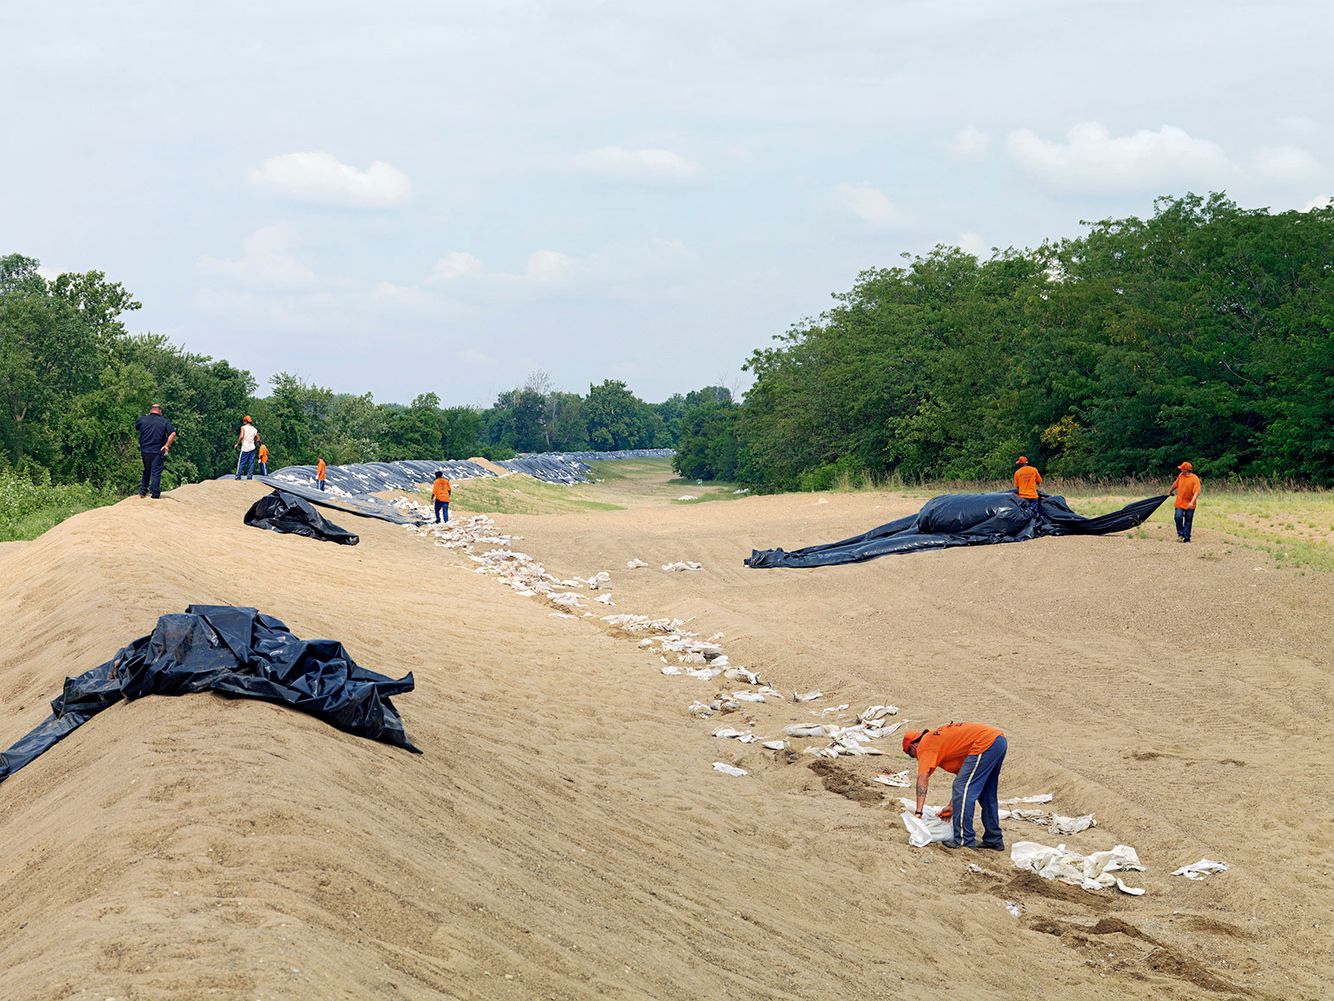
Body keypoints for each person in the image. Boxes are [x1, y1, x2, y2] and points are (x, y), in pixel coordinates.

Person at [904, 722, 1008, 850]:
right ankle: (994, 839)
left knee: (961, 787)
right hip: (997, 741)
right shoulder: (945, 744)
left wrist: (918, 813)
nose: (917, 759)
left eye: (912, 755)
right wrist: (952, 805)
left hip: (985, 743)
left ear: (913, 746)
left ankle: (964, 839)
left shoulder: (926, 743)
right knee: (986, 793)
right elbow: (967, 779)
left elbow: (922, 778)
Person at [134, 404, 176, 499]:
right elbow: (173, 433)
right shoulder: (164, 421)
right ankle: (155, 494)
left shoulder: (142, 419)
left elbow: (137, 427)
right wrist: (166, 446)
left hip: (145, 450)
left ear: (151, 410)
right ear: (160, 411)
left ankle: (143, 492)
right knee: (156, 473)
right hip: (157, 451)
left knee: (146, 470)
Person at [1170, 461, 1201, 543]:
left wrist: (1192, 502)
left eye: (1182, 469)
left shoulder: (1195, 479)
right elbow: (1175, 484)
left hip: (1190, 504)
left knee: (1188, 520)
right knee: (1178, 517)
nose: (1180, 470)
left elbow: (1197, 492)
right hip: (1179, 502)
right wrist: (1169, 491)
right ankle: (1181, 534)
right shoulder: (1181, 476)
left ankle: (1187, 538)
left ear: (1186, 470)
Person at [234, 416, 260, 480]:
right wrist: (254, 442)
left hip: (245, 448)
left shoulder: (243, 427)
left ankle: (238, 476)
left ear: (245, 421)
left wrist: (237, 443)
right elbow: (258, 439)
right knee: (251, 463)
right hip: (252, 447)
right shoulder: (254, 429)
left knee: (241, 462)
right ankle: (249, 477)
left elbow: (241, 436)